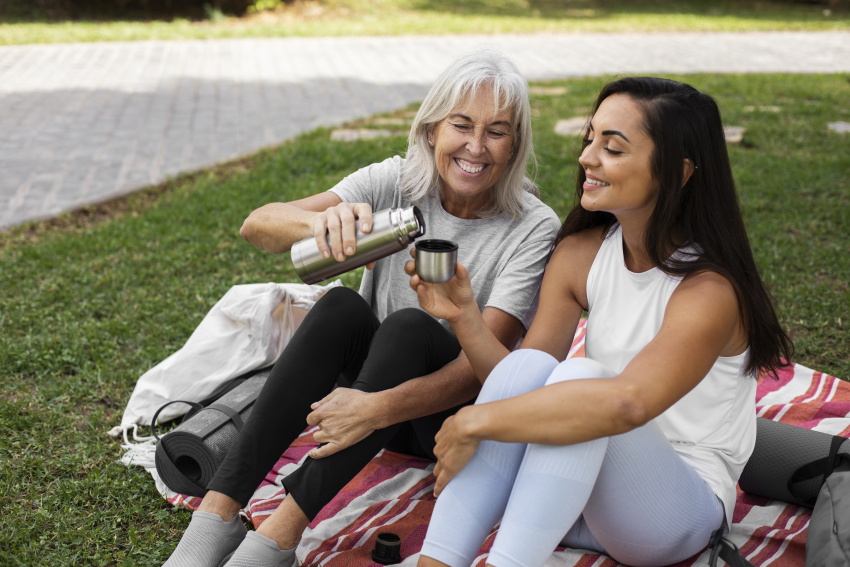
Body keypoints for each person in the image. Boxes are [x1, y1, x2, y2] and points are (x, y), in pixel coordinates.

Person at [162, 48, 560, 567]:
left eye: (497, 132)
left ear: (516, 144)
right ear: (432, 130)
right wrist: (319, 223)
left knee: (410, 327)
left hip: (445, 423)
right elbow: (257, 225)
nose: (476, 147)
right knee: (340, 307)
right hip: (370, 392)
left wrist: (378, 408)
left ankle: (276, 538)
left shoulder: (533, 226)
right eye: (461, 125)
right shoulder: (397, 181)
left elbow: (478, 371)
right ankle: (214, 518)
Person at [408, 76, 794, 567]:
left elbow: (627, 404)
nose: (587, 157)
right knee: (529, 367)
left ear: (677, 172)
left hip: (670, 514)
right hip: (574, 494)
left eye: (612, 148)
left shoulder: (709, 292)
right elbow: (516, 383)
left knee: (582, 382)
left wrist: (473, 421)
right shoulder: (581, 253)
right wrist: (466, 318)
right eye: (590, 139)